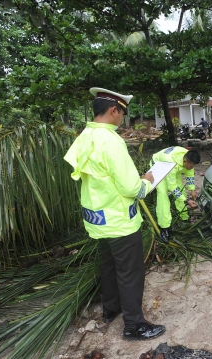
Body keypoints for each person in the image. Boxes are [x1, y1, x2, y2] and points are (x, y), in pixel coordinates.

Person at [64, 87, 165, 341]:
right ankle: (134, 325)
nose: (123, 118)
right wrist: (147, 180)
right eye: (123, 113)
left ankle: (112, 309)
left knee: (109, 266)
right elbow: (132, 188)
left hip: (98, 220)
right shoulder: (112, 141)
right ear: (113, 110)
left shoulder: (85, 136)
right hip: (120, 221)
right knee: (130, 272)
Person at [150, 146, 201, 242]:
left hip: (174, 167)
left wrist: (192, 190)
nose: (192, 168)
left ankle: (184, 218)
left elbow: (189, 173)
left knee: (181, 190)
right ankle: (164, 228)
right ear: (185, 161)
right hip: (159, 165)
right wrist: (186, 200)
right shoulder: (170, 163)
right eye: (191, 166)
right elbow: (172, 187)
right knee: (163, 194)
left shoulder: (188, 156)